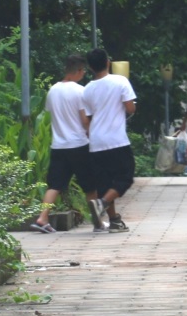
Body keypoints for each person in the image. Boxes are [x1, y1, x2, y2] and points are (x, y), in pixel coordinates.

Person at [32, 54, 100, 233]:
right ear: (78, 70)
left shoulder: (53, 90)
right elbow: (84, 121)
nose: (84, 74)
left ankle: (42, 218)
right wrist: (93, 134)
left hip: (59, 146)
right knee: (90, 186)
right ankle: (98, 222)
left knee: (55, 185)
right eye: (83, 71)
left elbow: (52, 113)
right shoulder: (80, 91)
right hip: (79, 144)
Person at [82, 48, 137, 233]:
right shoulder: (120, 81)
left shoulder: (87, 89)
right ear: (108, 62)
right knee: (125, 177)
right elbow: (130, 109)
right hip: (116, 140)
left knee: (104, 183)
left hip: (96, 142)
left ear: (90, 67)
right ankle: (102, 202)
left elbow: (89, 117)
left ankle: (114, 221)